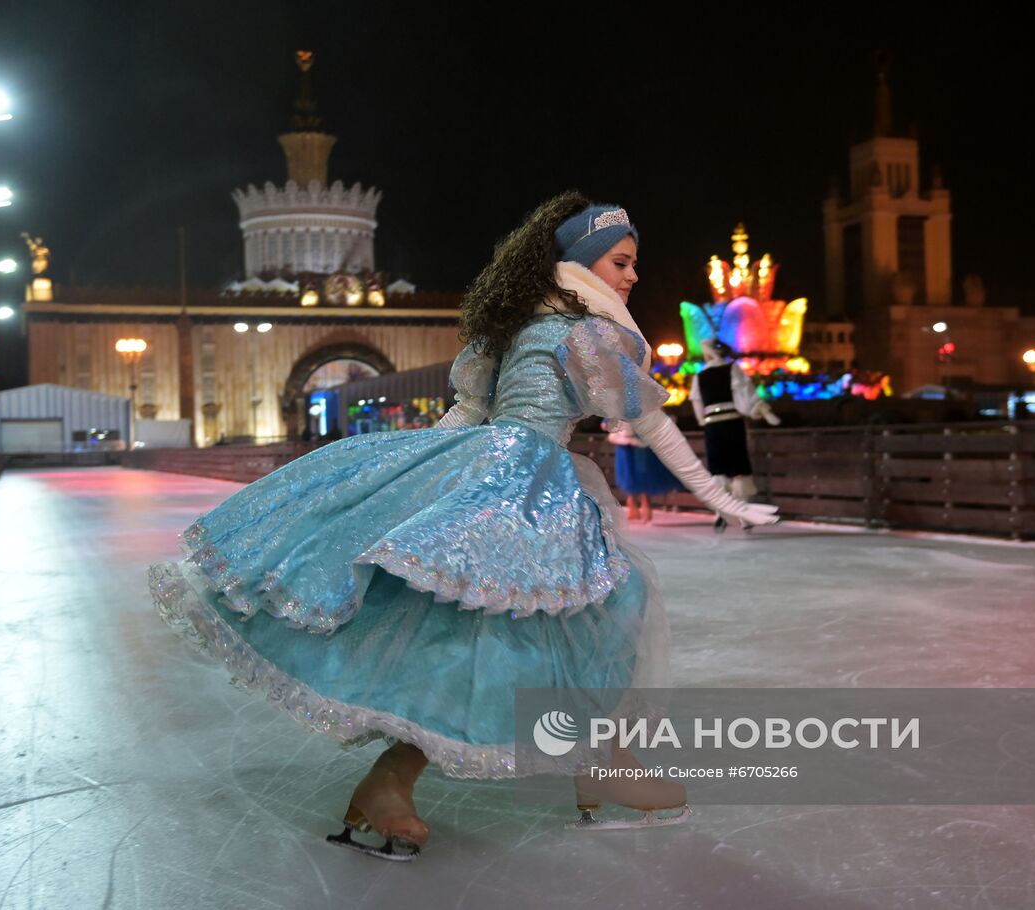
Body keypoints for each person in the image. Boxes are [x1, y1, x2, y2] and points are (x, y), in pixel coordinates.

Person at [148, 192, 777, 861]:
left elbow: (466, 415)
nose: (633, 276)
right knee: (542, 623)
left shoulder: (514, 328)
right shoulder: (586, 331)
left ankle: (581, 765)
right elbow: (648, 423)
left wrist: (423, 464)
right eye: (622, 262)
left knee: (571, 614)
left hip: (515, 478)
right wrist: (717, 494)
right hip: (525, 487)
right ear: (586, 263)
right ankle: (522, 771)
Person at [689, 340, 781, 532]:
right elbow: (745, 394)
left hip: (712, 426)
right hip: (732, 423)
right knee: (738, 467)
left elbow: (697, 402)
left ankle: (721, 513)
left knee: (718, 470)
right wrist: (760, 410)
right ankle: (744, 516)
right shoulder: (732, 369)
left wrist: (703, 420)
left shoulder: (700, 376)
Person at [607, 417, 681, 522]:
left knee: (641, 471)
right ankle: (633, 503)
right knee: (628, 473)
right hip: (625, 442)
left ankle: (644, 502)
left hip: (640, 440)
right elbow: (606, 423)